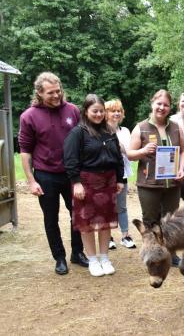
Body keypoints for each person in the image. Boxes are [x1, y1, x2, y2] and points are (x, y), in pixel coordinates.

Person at [18, 72, 89, 275]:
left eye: (58, 91)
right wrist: (31, 181)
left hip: (72, 174)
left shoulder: (73, 111)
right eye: (51, 93)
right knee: (51, 218)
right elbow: (25, 151)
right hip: (45, 174)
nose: (57, 96)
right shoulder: (28, 116)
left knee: (78, 214)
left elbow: (83, 141)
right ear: (39, 93)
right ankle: (59, 258)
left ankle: (78, 253)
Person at [63, 94, 125, 276]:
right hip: (86, 183)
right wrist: (76, 183)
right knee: (87, 223)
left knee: (106, 223)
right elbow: (70, 160)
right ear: (86, 111)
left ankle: (104, 258)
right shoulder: (78, 132)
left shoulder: (109, 131)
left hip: (108, 182)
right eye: (94, 111)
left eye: (100, 111)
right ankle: (92, 260)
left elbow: (118, 158)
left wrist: (120, 179)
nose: (98, 114)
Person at [127, 90, 184, 266]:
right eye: (159, 103)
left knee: (170, 220)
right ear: (152, 103)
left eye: (166, 105)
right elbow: (130, 154)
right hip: (149, 184)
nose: (162, 107)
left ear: (170, 107)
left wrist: (182, 169)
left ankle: (171, 254)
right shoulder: (141, 127)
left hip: (173, 183)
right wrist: (143, 151)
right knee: (151, 221)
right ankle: (152, 254)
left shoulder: (176, 127)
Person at [104, 99, 136, 249]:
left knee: (121, 206)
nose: (116, 113)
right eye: (112, 110)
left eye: (119, 111)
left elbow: (129, 154)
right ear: (106, 113)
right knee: (106, 206)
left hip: (121, 173)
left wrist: (120, 146)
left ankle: (125, 235)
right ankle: (108, 237)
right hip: (104, 174)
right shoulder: (100, 131)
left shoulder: (125, 131)